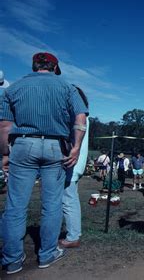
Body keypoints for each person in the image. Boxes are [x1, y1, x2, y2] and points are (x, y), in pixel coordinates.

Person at [0, 52, 88, 274]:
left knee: (15, 206)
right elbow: (80, 118)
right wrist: (76, 147)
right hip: (55, 147)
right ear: (55, 68)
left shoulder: (13, 89)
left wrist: (5, 154)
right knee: (52, 204)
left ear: (33, 66)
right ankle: (47, 254)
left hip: (22, 145)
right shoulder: (68, 88)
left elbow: (4, 126)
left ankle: (12, 259)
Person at [60, 86, 89, 249]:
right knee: (70, 199)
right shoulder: (84, 116)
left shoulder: (76, 117)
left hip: (71, 162)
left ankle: (73, 236)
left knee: (68, 200)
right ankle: (74, 234)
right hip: (77, 163)